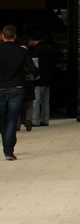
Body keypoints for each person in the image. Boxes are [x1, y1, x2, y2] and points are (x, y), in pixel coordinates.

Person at [1, 25, 36, 160]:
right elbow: (31, 67)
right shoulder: (22, 51)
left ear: (2, 36)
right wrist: (36, 75)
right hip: (16, 87)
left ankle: (7, 145)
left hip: (0, 88)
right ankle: (9, 149)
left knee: (2, 119)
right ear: (15, 37)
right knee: (12, 118)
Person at [29, 33, 55, 127]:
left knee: (36, 101)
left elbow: (34, 67)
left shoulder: (35, 51)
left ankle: (35, 121)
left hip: (38, 79)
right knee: (45, 101)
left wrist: (34, 77)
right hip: (48, 79)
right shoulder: (49, 49)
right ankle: (45, 120)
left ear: (35, 41)